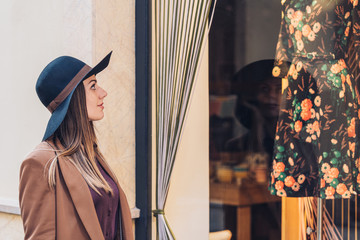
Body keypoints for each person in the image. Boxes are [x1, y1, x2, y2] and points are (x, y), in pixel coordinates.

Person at [19, 52, 134, 240]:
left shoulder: (91, 154)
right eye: (93, 86)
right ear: (75, 98)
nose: (103, 92)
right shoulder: (40, 163)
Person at [270, 0, 360, 198]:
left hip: (332, 82)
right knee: (299, 158)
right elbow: (285, 43)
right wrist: (282, 66)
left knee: (333, 153)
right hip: (298, 85)